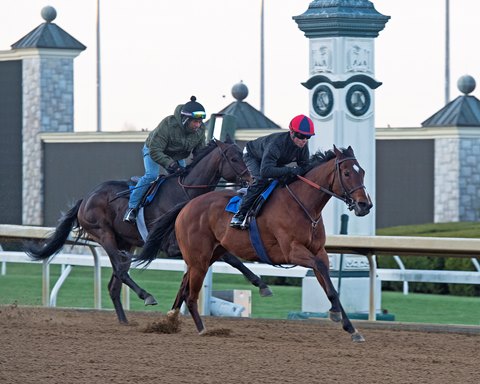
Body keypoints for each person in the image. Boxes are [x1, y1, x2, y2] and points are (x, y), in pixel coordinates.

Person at [123, 96, 207, 223]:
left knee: (183, 179)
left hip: (176, 155)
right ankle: (131, 209)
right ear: (185, 120)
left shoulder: (200, 130)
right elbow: (155, 151)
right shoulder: (167, 124)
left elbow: (199, 153)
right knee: (152, 175)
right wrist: (172, 165)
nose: (198, 125)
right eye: (195, 122)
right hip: (153, 149)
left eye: (200, 122)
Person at [230, 114, 315, 229]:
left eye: (308, 137)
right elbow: (265, 171)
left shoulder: (303, 147)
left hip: (270, 160)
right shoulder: (276, 144)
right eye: (301, 136)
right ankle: (240, 214)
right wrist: (291, 170)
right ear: (291, 132)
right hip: (253, 155)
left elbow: (305, 168)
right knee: (261, 179)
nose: (304, 140)